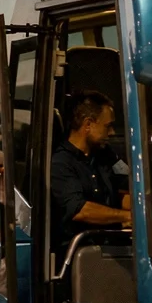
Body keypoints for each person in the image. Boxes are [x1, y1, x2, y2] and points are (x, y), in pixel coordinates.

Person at [51, 90, 131, 256]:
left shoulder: (105, 155)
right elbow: (80, 210)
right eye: (107, 126)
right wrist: (126, 217)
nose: (112, 133)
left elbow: (122, 191)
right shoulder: (60, 163)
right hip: (82, 256)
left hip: (114, 248)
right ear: (88, 125)